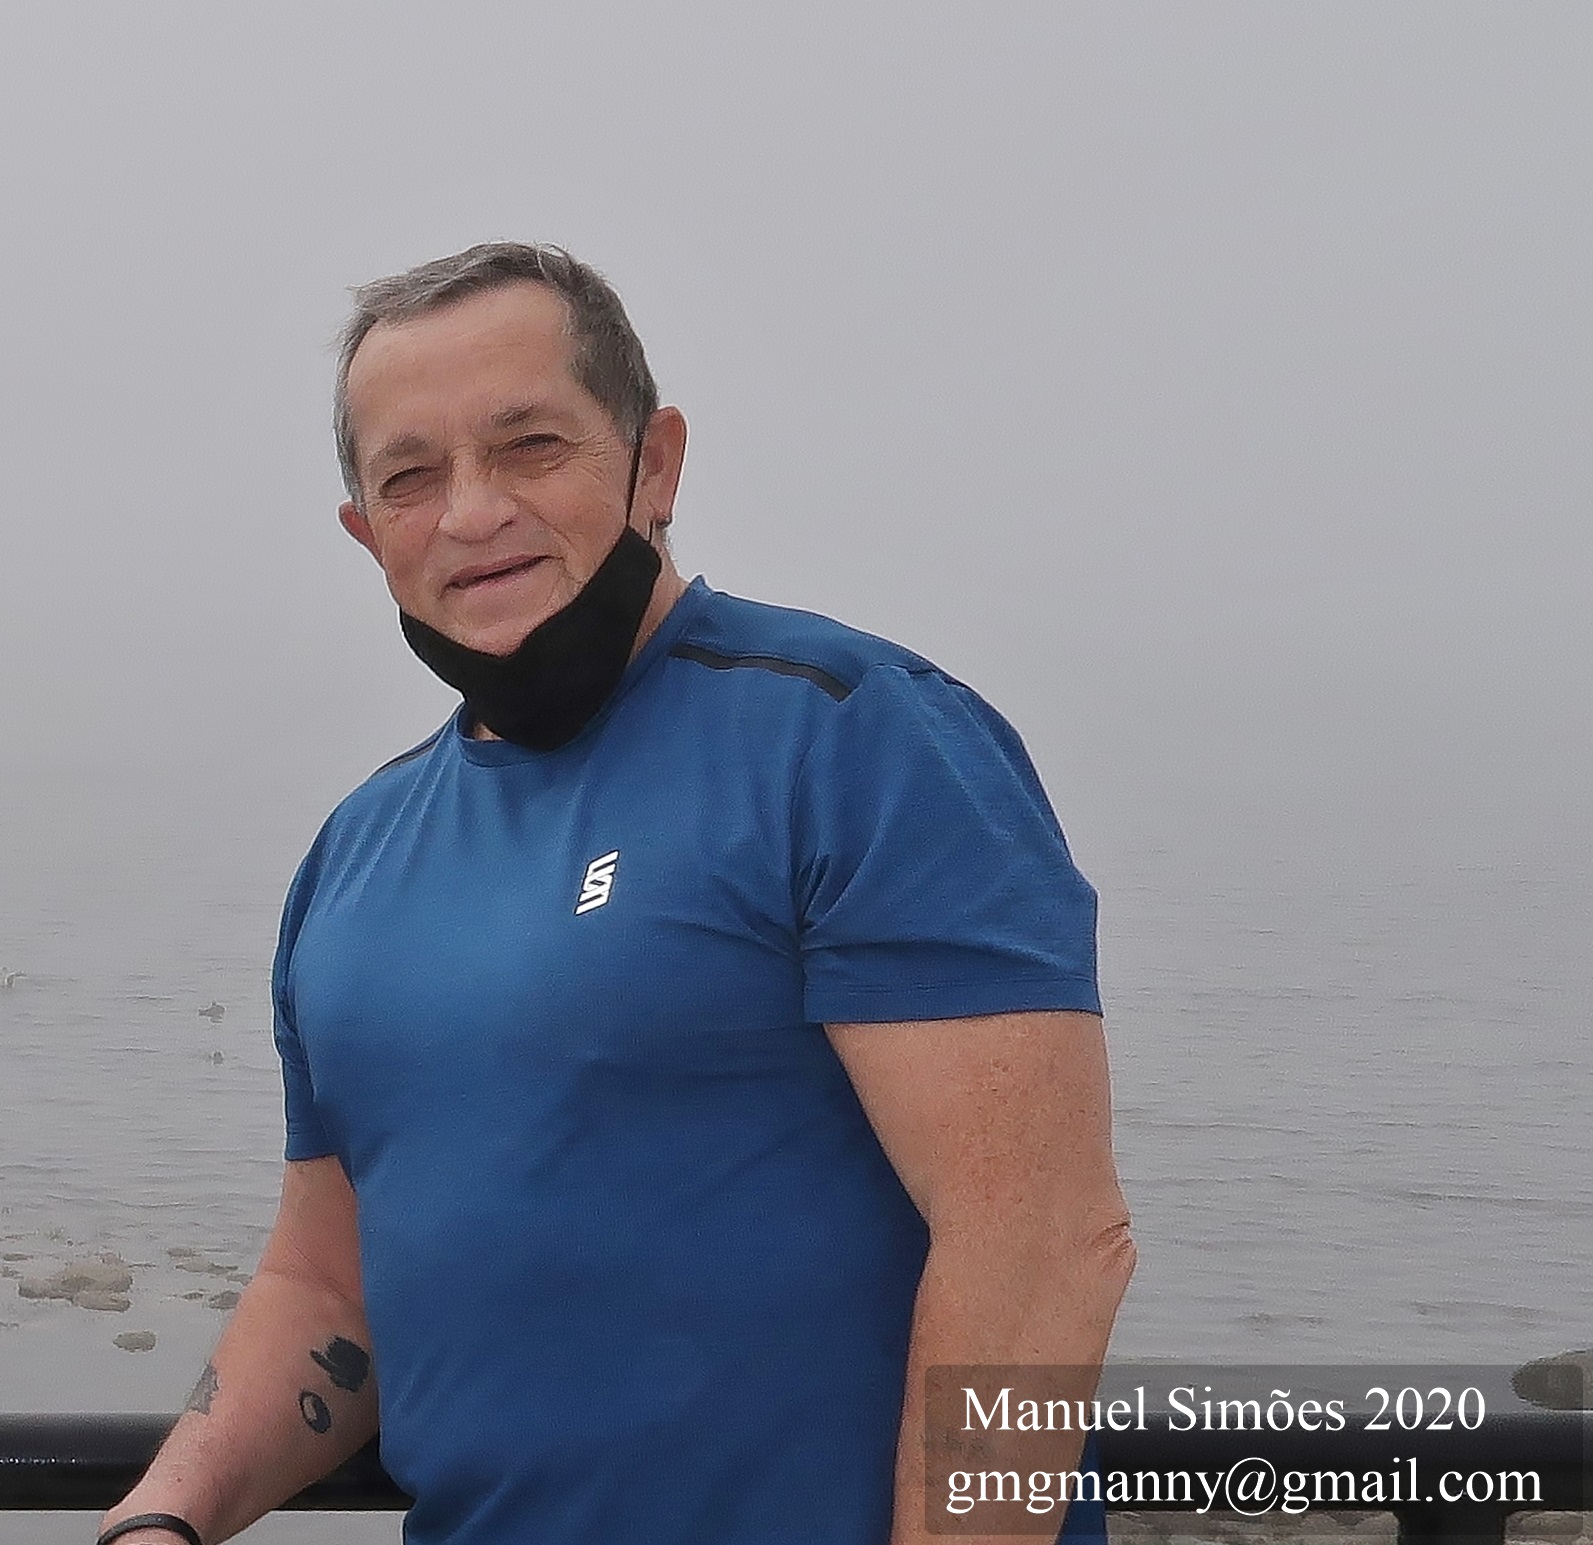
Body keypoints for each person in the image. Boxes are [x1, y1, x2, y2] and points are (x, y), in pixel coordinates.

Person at [95, 246, 1132, 1545]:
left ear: (655, 464)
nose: (471, 513)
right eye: (410, 477)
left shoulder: (853, 736)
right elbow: (327, 1290)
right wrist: (166, 1513)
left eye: (529, 446)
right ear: (367, 534)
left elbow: (1040, 1246)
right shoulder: (356, 853)